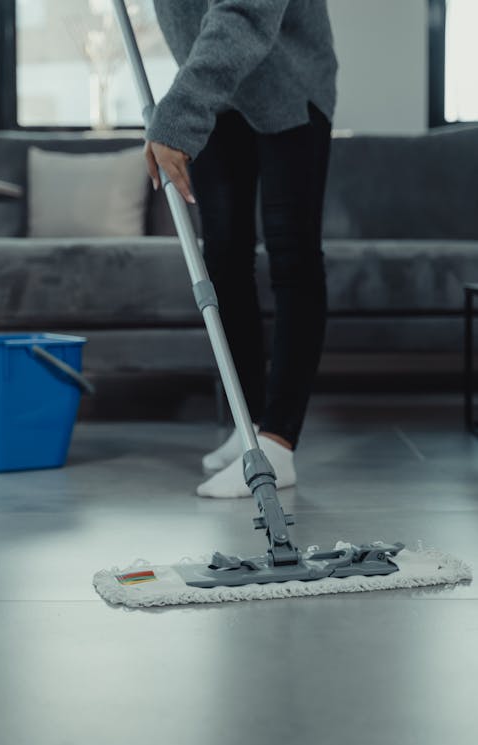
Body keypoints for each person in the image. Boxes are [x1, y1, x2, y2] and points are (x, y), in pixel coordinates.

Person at [144, 0, 338, 498]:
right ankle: (247, 423)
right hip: (219, 96)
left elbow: (246, 12)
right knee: (225, 260)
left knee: (292, 256)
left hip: (288, 85)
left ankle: (278, 440)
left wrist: (178, 114)